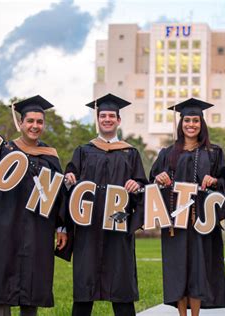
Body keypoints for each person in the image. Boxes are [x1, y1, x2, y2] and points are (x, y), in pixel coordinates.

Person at [0, 95, 67, 316]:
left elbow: (58, 197)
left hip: (38, 230)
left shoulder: (50, 157)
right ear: (21, 123)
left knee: (32, 287)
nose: (34, 126)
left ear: (44, 125)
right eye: (30, 121)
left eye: (39, 122)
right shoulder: (4, 151)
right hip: (5, 228)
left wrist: (61, 226)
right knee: (2, 287)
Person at [63, 93, 147, 316]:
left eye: (112, 116)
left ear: (119, 120)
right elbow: (70, 175)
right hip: (88, 229)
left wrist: (136, 184)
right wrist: (70, 178)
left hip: (118, 229)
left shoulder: (130, 152)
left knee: (121, 288)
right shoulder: (83, 151)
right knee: (84, 288)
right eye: (103, 116)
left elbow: (142, 185)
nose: (107, 119)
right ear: (97, 120)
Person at [149, 98, 225, 316]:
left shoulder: (213, 152)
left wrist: (214, 181)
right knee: (178, 271)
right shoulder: (167, 153)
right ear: (180, 123)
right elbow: (152, 182)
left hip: (202, 222)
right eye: (187, 120)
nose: (191, 124)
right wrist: (159, 177)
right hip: (175, 222)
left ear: (202, 124)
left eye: (195, 120)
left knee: (198, 271)